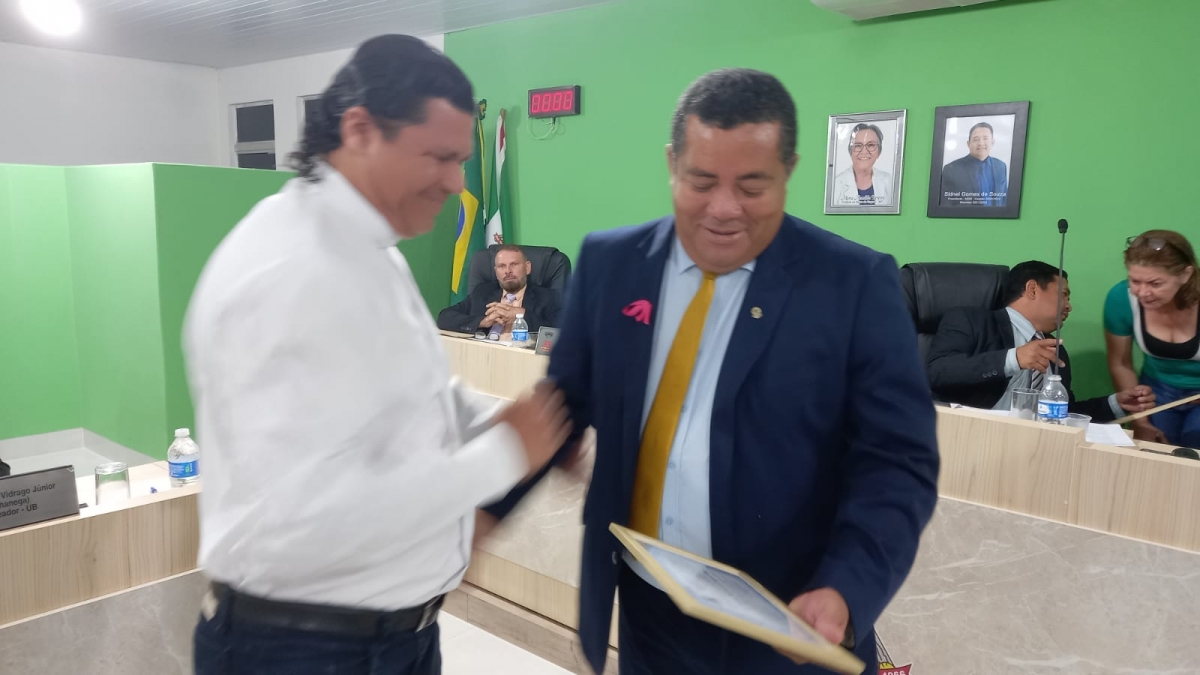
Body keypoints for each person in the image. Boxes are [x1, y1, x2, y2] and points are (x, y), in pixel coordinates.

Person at [480, 68, 940, 675]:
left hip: (790, 624)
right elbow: (561, 406)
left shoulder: (853, 284)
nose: (724, 209)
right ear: (672, 163)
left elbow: (898, 461)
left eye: (753, 185)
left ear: (789, 171)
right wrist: (476, 516)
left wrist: (846, 588)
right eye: (701, 181)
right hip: (650, 612)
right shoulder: (612, 263)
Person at [183, 35, 570, 675]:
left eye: (461, 161)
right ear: (361, 131)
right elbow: (318, 511)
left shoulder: (369, 251)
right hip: (302, 650)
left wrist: (517, 424)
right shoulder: (292, 272)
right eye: (439, 159)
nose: (457, 184)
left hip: (391, 637)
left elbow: (417, 399)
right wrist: (506, 452)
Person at [926, 261, 1154, 420]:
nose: (1069, 306)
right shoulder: (972, 320)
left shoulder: (1055, 350)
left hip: (1035, 446)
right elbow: (936, 372)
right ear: (1032, 289)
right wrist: (1014, 358)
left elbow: (1063, 412)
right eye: (1063, 295)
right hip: (973, 434)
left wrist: (1116, 404)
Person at [1104, 230, 1200, 446]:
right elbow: (1121, 363)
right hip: (1155, 392)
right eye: (1135, 280)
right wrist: (1140, 421)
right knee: (1152, 450)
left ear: (1185, 275)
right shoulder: (1121, 298)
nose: (1142, 292)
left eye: (1155, 284)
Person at [436, 244, 562, 334]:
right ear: (496, 272)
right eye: (502, 266)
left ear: (527, 268)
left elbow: (561, 332)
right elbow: (444, 318)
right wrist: (482, 321)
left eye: (514, 264)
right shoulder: (482, 292)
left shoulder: (548, 298)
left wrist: (521, 315)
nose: (508, 271)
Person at [939, 121, 1008, 207]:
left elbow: (1004, 200)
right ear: (968, 143)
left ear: (992, 142)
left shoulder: (1001, 166)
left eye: (985, 138)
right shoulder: (951, 169)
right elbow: (945, 204)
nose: (981, 143)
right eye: (976, 139)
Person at [830, 123, 893, 207]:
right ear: (851, 151)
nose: (864, 151)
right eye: (858, 146)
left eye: (871, 145)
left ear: (879, 151)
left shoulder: (888, 181)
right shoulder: (836, 184)